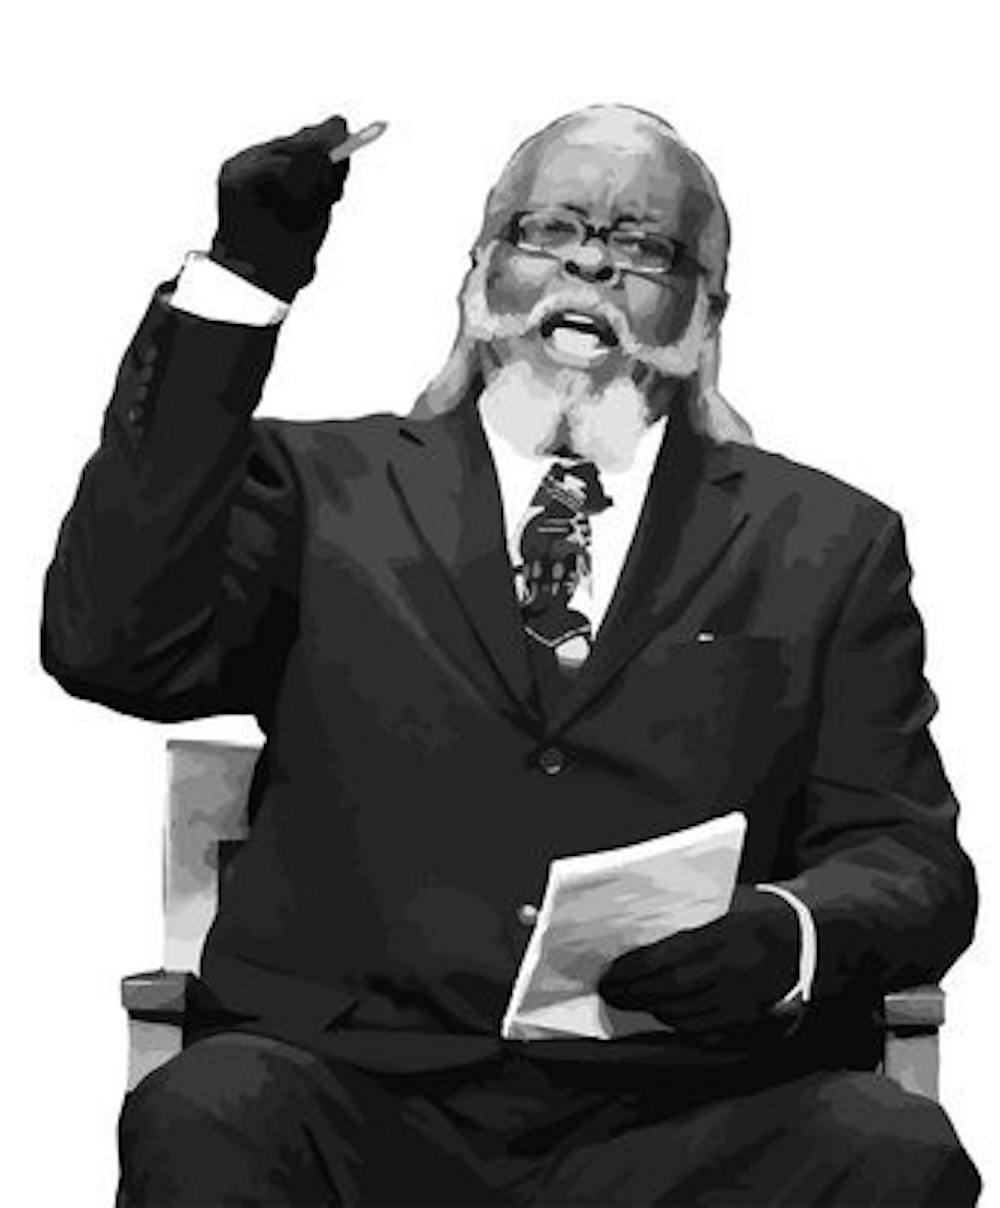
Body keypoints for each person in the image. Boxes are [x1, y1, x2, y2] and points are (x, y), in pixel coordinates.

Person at [42, 105, 981, 1206]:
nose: (591, 264)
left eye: (643, 245)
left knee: (890, 1148)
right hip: (360, 1099)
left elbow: (909, 858)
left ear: (705, 311)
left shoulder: (827, 542)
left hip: (683, 1114)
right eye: (551, 230)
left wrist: (790, 933)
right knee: (209, 1113)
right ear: (482, 272)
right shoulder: (320, 492)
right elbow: (113, 647)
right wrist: (244, 279)